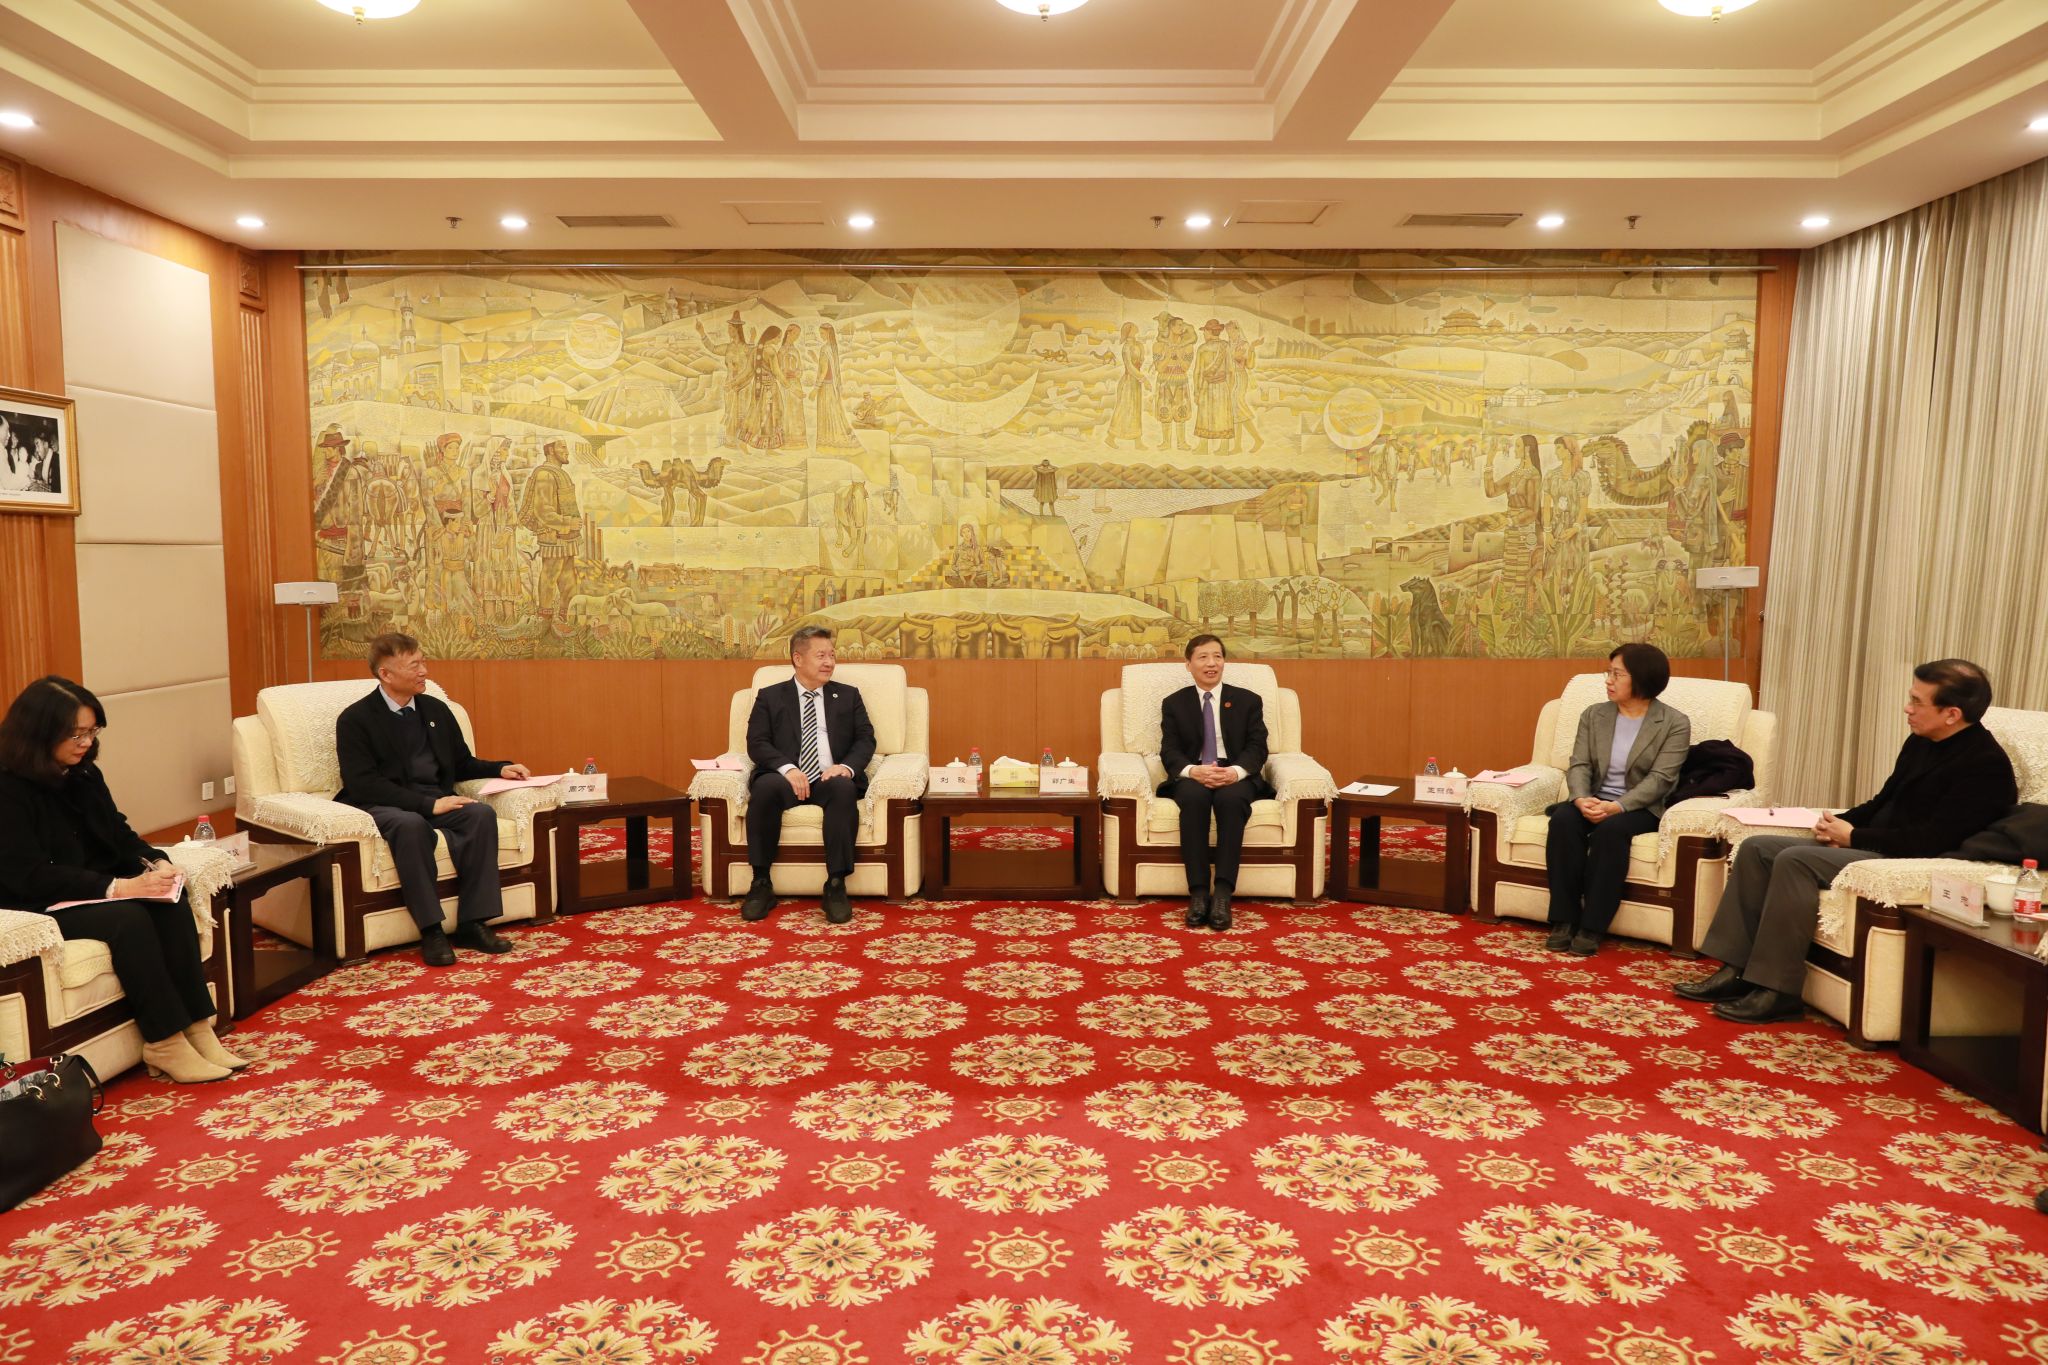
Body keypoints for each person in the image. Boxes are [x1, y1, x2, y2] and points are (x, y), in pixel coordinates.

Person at [1677, 658, 2017, 1023]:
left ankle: (1778, 990)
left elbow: (1932, 840)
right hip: (1877, 844)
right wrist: (1839, 823)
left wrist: (1854, 836)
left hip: (1908, 860)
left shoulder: (1985, 766)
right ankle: (1735, 970)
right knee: (1757, 847)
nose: (1907, 708)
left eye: (1917, 701)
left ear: (1952, 714)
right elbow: (1883, 801)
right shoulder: (1922, 741)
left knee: (1795, 860)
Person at [0, 676, 246, 1083]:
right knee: (128, 919)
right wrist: (118, 888)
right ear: (38, 731)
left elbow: (118, 833)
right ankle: (164, 1042)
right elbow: (28, 874)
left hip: (89, 888)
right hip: (34, 901)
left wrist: (156, 862)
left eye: (92, 731)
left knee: (169, 900)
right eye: (76, 734)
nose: (85, 742)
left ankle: (197, 1027)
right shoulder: (8, 787)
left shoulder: (83, 773)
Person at [334, 633, 534, 967]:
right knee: (410, 825)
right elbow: (363, 784)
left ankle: (472, 923)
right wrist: (427, 806)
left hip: (435, 798)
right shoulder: (356, 719)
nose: (424, 671)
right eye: (414, 665)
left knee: (480, 816)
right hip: (384, 804)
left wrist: (500, 768)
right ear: (386, 674)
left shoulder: (436, 710)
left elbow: (461, 763)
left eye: (423, 662)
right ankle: (432, 930)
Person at [1543, 643, 1691, 957]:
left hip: (1640, 806)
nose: (1608, 680)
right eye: (1608, 673)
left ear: (1641, 678)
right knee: (1563, 820)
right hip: (1594, 797)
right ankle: (1563, 920)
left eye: (1617, 674)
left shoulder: (1674, 723)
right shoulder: (1594, 714)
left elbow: (1661, 779)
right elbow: (1579, 764)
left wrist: (1618, 806)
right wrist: (1581, 798)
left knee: (1611, 832)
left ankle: (1593, 926)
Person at [740, 626, 874, 925]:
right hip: (786, 777)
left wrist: (846, 767)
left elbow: (865, 739)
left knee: (843, 788)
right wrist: (788, 769)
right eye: (821, 655)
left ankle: (836, 884)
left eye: (832, 655)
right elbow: (757, 742)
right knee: (765, 788)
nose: (829, 662)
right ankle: (761, 882)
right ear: (798, 659)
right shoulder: (770, 696)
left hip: (829, 776)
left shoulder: (848, 695)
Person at [1158, 634, 1273, 932]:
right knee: (1194, 799)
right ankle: (1198, 894)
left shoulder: (1248, 700)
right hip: (1194, 772)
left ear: (1224, 662)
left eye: (1217, 656)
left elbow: (1257, 747)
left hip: (1235, 771)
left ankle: (1222, 894)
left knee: (1230, 800)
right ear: (1188, 664)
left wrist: (1235, 771)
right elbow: (1169, 750)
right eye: (1203, 657)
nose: (1211, 663)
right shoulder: (1174, 703)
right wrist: (1192, 771)